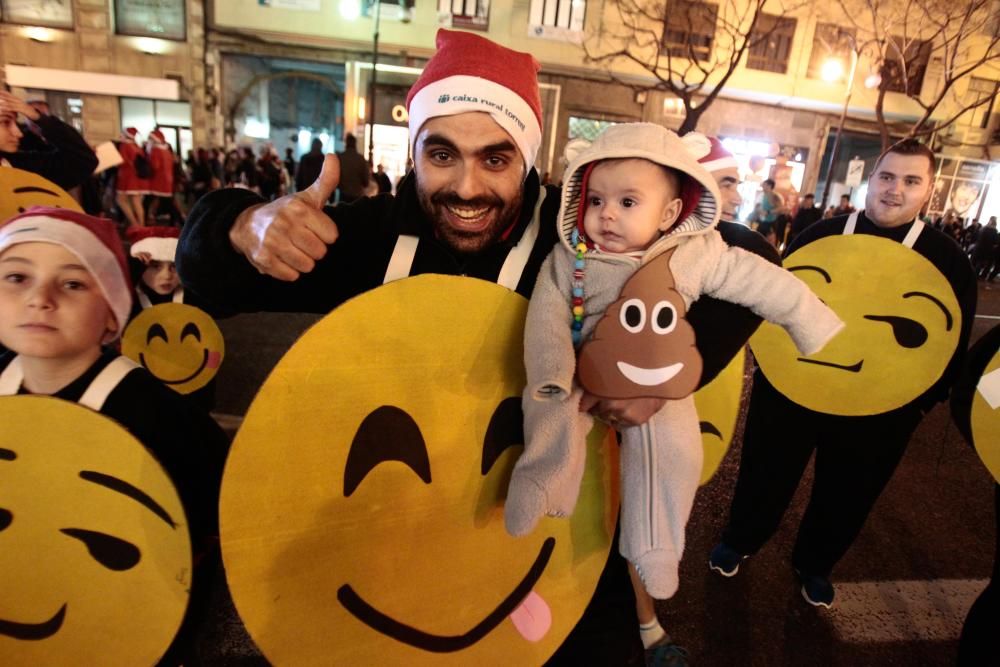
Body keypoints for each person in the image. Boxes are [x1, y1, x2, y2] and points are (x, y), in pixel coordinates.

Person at [177, 29, 795, 665]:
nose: (467, 188)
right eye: (441, 156)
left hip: (559, 532)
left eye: (495, 160)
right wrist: (240, 225)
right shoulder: (368, 239)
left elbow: (747, 259)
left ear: (526, 159)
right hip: (396, 531)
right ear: (413, 152)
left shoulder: (579, 238)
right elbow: (207, 275)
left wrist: (657, 376)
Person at [504, 122, 842, 602]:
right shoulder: (570, 258)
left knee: (677, 455)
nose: (606, 216)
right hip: (580, 373)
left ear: (668, 213)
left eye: (627, 202)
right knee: (548, 413)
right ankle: (540, 481)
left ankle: (657, 546)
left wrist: (810, 323)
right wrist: (552, 375)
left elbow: (762, 281)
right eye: (595, 200)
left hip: (658, 382)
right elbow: (546, 317)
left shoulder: (694, 255)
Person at [709, 139, 977, 608]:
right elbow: (778, 294)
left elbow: (951, 341)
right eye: (887, 177)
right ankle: (742, 538)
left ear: (929, 191)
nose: (895, 190)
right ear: (870, 181)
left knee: (850, 487)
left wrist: (918, 403)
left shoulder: (948, 258)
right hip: (796, 382)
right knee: (766, 468)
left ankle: (815, 564)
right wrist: (774, 371)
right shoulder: (822, 232)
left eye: (911, 181)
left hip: (883, 401)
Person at [0, 207, 229, 664]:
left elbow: (206, 532)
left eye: (72, 283)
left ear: (112, 315)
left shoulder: (162, 418)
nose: (40, 298)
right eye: (16, 277)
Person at [0, 90, 98, 192]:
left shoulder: (19, 164)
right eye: (6, 122)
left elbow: (82, 161)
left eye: (15, 122)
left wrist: (39, 118)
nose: (18, 133)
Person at [115, 127, 151, 228]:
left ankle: (135, 224)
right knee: (136, 202)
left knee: (121, 200)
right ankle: (141, 225)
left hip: (127, 177)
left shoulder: (125, 145)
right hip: (138, 178)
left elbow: (122, 161)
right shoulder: (136, 146)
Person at [145, 129, 176, 225]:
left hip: (158, 181)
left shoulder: (155, 150)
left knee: (147, 201)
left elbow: (155, 166)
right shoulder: (166, 151)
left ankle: (145, 219)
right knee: (168, 202)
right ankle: (176, 220)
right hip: (167, 180)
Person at [335, 133, 370, 203]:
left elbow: (336, 178)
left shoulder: (341, 157)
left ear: (346, 143)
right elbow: (366, 181)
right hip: (357, 194)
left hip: (343, 194)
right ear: (355, 143)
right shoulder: (361, 159)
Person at [751, 178, 783, 246]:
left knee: (770, 242)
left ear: (769, 186)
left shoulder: (776, 196)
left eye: (764, 185)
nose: (762, 186)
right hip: (761, 222)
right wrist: (759, 210)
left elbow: (780, 208)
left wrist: (768, 212)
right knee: (758, 240)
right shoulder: (761, 195)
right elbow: (757, 206)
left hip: (771, 223)